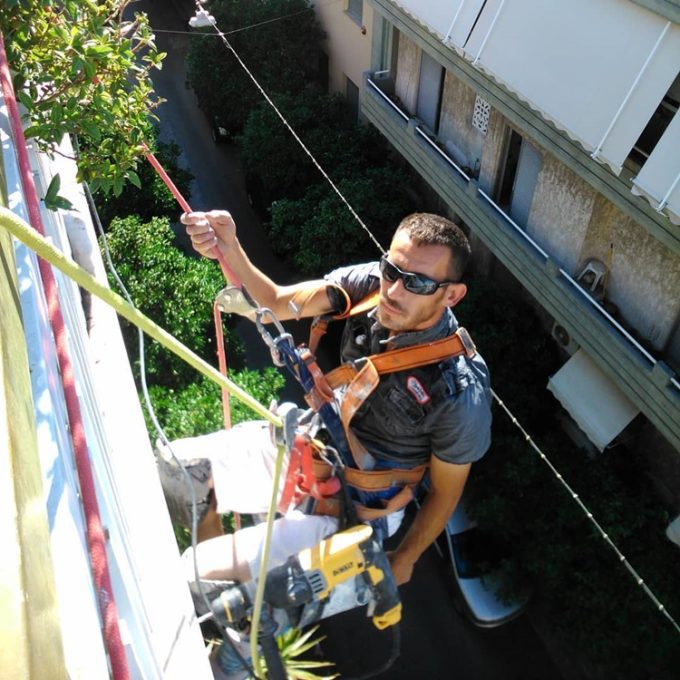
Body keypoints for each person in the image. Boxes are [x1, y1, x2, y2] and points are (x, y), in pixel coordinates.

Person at [161, 210, 491, 588]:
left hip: (359, 510)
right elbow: (274, 303)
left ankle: (225, 588)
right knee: (180, 468)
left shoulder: (459, 389)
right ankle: (218, 552)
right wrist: (228, 246)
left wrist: (405, 557)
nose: (394, 290)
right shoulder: (368, 286)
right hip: (311, 449)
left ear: (452, 295)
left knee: (196, 576)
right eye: (392, 270)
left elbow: (446, 494)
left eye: (417, 284)